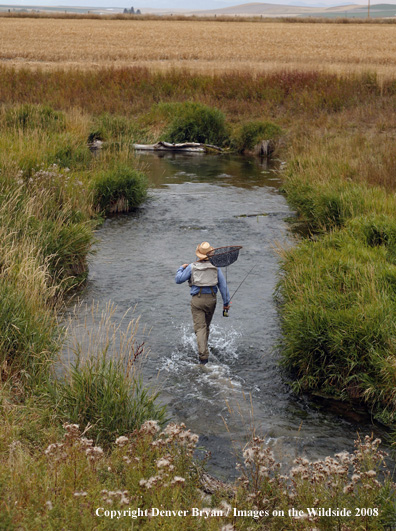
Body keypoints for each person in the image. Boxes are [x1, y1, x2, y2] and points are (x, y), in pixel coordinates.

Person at [175, 242, 231, 365]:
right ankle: (204, 346)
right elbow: (223, 286)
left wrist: (181, 268)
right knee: (206, 326)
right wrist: (226, 303)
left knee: (200, 328)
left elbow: (178, 280)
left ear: (199, 254)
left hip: (197, 300)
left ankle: (203, 357)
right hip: (212, 300)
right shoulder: (216, 267)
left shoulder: (191, 267)